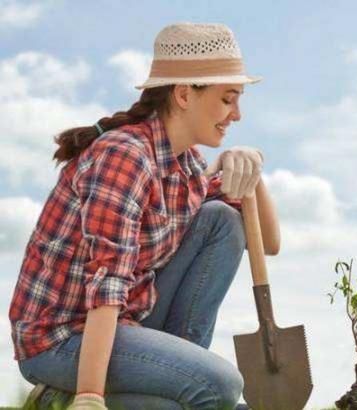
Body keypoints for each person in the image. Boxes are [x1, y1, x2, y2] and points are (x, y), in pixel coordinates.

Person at [9, 22, 279, 410]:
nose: (236, 114)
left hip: (127, 326)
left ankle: (179, 381)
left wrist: (252, 174)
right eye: (228, 98)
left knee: (222, 219)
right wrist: (90, 397)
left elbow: (266, 244)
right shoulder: (125, 155)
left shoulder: (187, 167)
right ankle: (65, 396)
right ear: (185, 94)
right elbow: (108, 283)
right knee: (221, 384)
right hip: (62, 339)